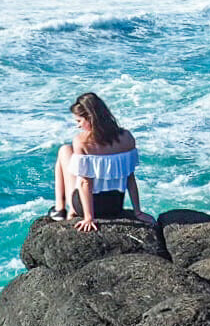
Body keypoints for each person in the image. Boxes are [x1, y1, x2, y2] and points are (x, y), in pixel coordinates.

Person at [49, 92, 151, 232]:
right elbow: (130, 178)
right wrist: (137, 212)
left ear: (90, 118)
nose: (78, 126)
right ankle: (62, 209)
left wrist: (88, 218)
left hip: (89, 207)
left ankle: (60, 209)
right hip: (115, 205)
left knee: (65, 151)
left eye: (79, 121)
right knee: (70, 156)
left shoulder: (82, 141)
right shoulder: (127, 137)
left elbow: (85, 182)